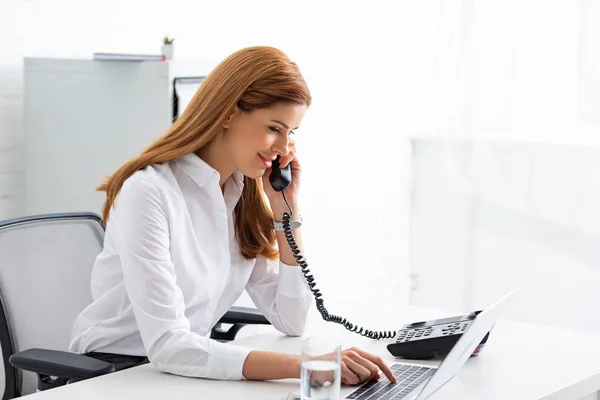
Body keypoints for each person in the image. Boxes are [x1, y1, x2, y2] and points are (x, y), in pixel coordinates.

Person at [69, 46, 396, 386]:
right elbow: (168, 345)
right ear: (228, 113)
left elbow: (292, 319)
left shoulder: (242, 195)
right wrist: (307, 365)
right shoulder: (149, 193)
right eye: (274, 128)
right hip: (114, 374)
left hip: (182, 371)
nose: (284, 148)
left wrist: (286, 211)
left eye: (291, 133)